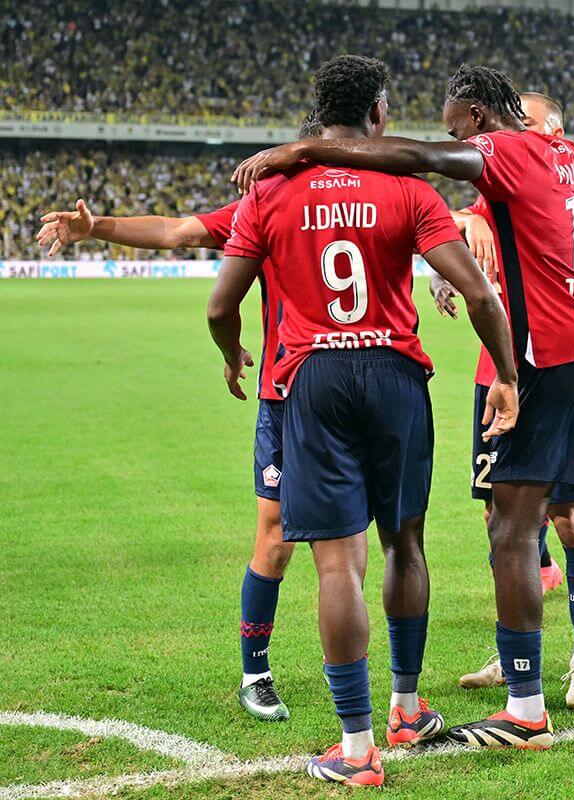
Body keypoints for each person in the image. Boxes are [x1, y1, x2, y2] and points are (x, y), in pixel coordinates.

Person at [231, 63, 574, 749]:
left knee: (512, 529)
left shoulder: (502, 148)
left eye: (458, 129)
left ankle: (525, 708)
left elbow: (414, 157)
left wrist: (302, 150)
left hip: (547, 359)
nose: (456, 147)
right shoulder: (569, 156)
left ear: (477, 119)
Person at [209, 56, 519, 785]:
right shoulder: (406, 188)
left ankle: (355, 752)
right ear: (379, 113)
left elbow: (222, 305)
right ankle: (407, 708)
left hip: (314, 377)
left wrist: (232, 355)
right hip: (397, 374)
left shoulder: (275, 189)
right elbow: (477, 292)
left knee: (337, 562)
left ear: (322, 113)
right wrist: (506, 375)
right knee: (405, 543)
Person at [35, 111, 324, 724]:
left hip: (333, 389)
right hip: (294, 389)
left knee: (347, 539)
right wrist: (100, 227)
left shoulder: (375, 194)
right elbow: (176, 230)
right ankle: (262, 672)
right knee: (288, 537)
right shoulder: (270, 200)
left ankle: (369, 686)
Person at [438, 90, 574, 710]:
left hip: (553, 370)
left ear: (554, 136)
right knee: (501, 522)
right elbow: (447, 227)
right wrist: (468, 221)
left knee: (569, 516)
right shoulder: (491, 194)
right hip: (497, 371)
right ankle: (515, 649)